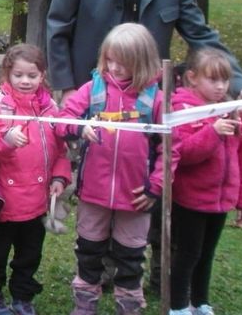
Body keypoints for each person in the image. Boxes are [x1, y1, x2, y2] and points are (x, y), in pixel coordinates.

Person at [45, 0, 242, 294]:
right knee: (97, 180)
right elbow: (58, 27)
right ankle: (99, 269)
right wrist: (70, 88)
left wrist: (240, 85)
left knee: (151, 182)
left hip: (148, 105)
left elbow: (201, 35)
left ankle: (148, 266)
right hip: (96, 98)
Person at [57, 23, 164, 315]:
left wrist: (157, 186)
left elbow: (170, 149)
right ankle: (84, 307)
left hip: (136, 197)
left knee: (130, 259)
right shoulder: (94, 90)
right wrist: (81, 127)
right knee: (89, 255)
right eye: (110, 59)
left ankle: (128, 307)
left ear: (141, 62)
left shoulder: (155, 99)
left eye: (123, 62)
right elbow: (61, 119)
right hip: (94, 192)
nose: (115, 67)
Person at [0, 44, 70, 315]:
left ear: (42, 75)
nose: (25, 81)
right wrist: (6, 141)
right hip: (5, 202)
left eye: (32, 75)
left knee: (29, 256)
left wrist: (60, 177)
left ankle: (22, 296)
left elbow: (61, 150)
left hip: (38, 201)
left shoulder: (51, 109)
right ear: (7, 74)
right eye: (18, 75)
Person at [167, 48, 242, 315]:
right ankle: (179, 306)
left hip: (221, 201)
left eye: (225, 80)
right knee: (187, 255)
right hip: (191, 199)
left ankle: (200, 302)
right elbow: (185, 154)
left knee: (206, 255)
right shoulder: (182, 110)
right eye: (213, 79)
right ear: (192, 78)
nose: (220, 86)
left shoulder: (232, 111)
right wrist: (212, 132)